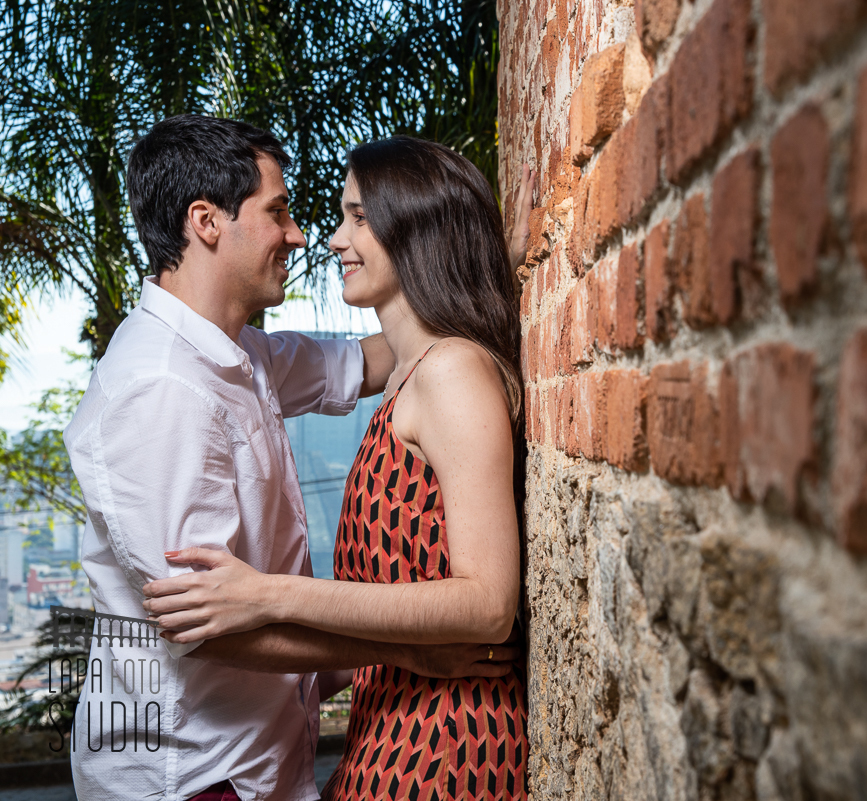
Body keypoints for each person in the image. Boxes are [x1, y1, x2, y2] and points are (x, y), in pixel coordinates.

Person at [63, 116, 530, 801]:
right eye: (278, 211)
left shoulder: (242, 354)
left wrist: (469, 265)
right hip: (196, 773)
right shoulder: (157, 388)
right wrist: (401, 650)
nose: (305, 235)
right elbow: (209, 626)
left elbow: (375, 358)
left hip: (281, 755)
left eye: (354, 218)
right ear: (207, 222)